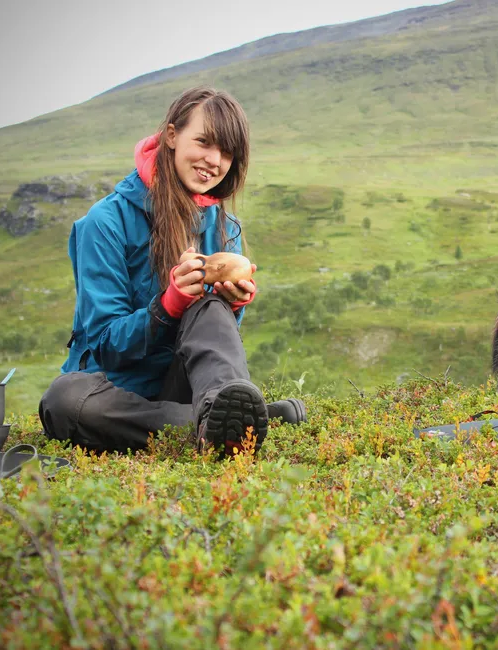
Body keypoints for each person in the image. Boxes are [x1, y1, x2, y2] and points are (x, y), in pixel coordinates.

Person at [39, 86, 305, 457]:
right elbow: (104, 343)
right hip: (114, 391)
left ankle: (214, 417)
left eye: (227, 152)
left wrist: (233, 305)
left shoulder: (226, 227)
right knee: (63, 400)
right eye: (204, 142)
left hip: (186, 386)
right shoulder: (104, 223)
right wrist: (167, 306)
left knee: (210, 308)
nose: (214, 160)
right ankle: (224, 426)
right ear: (171, 136)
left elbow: (212, 348)